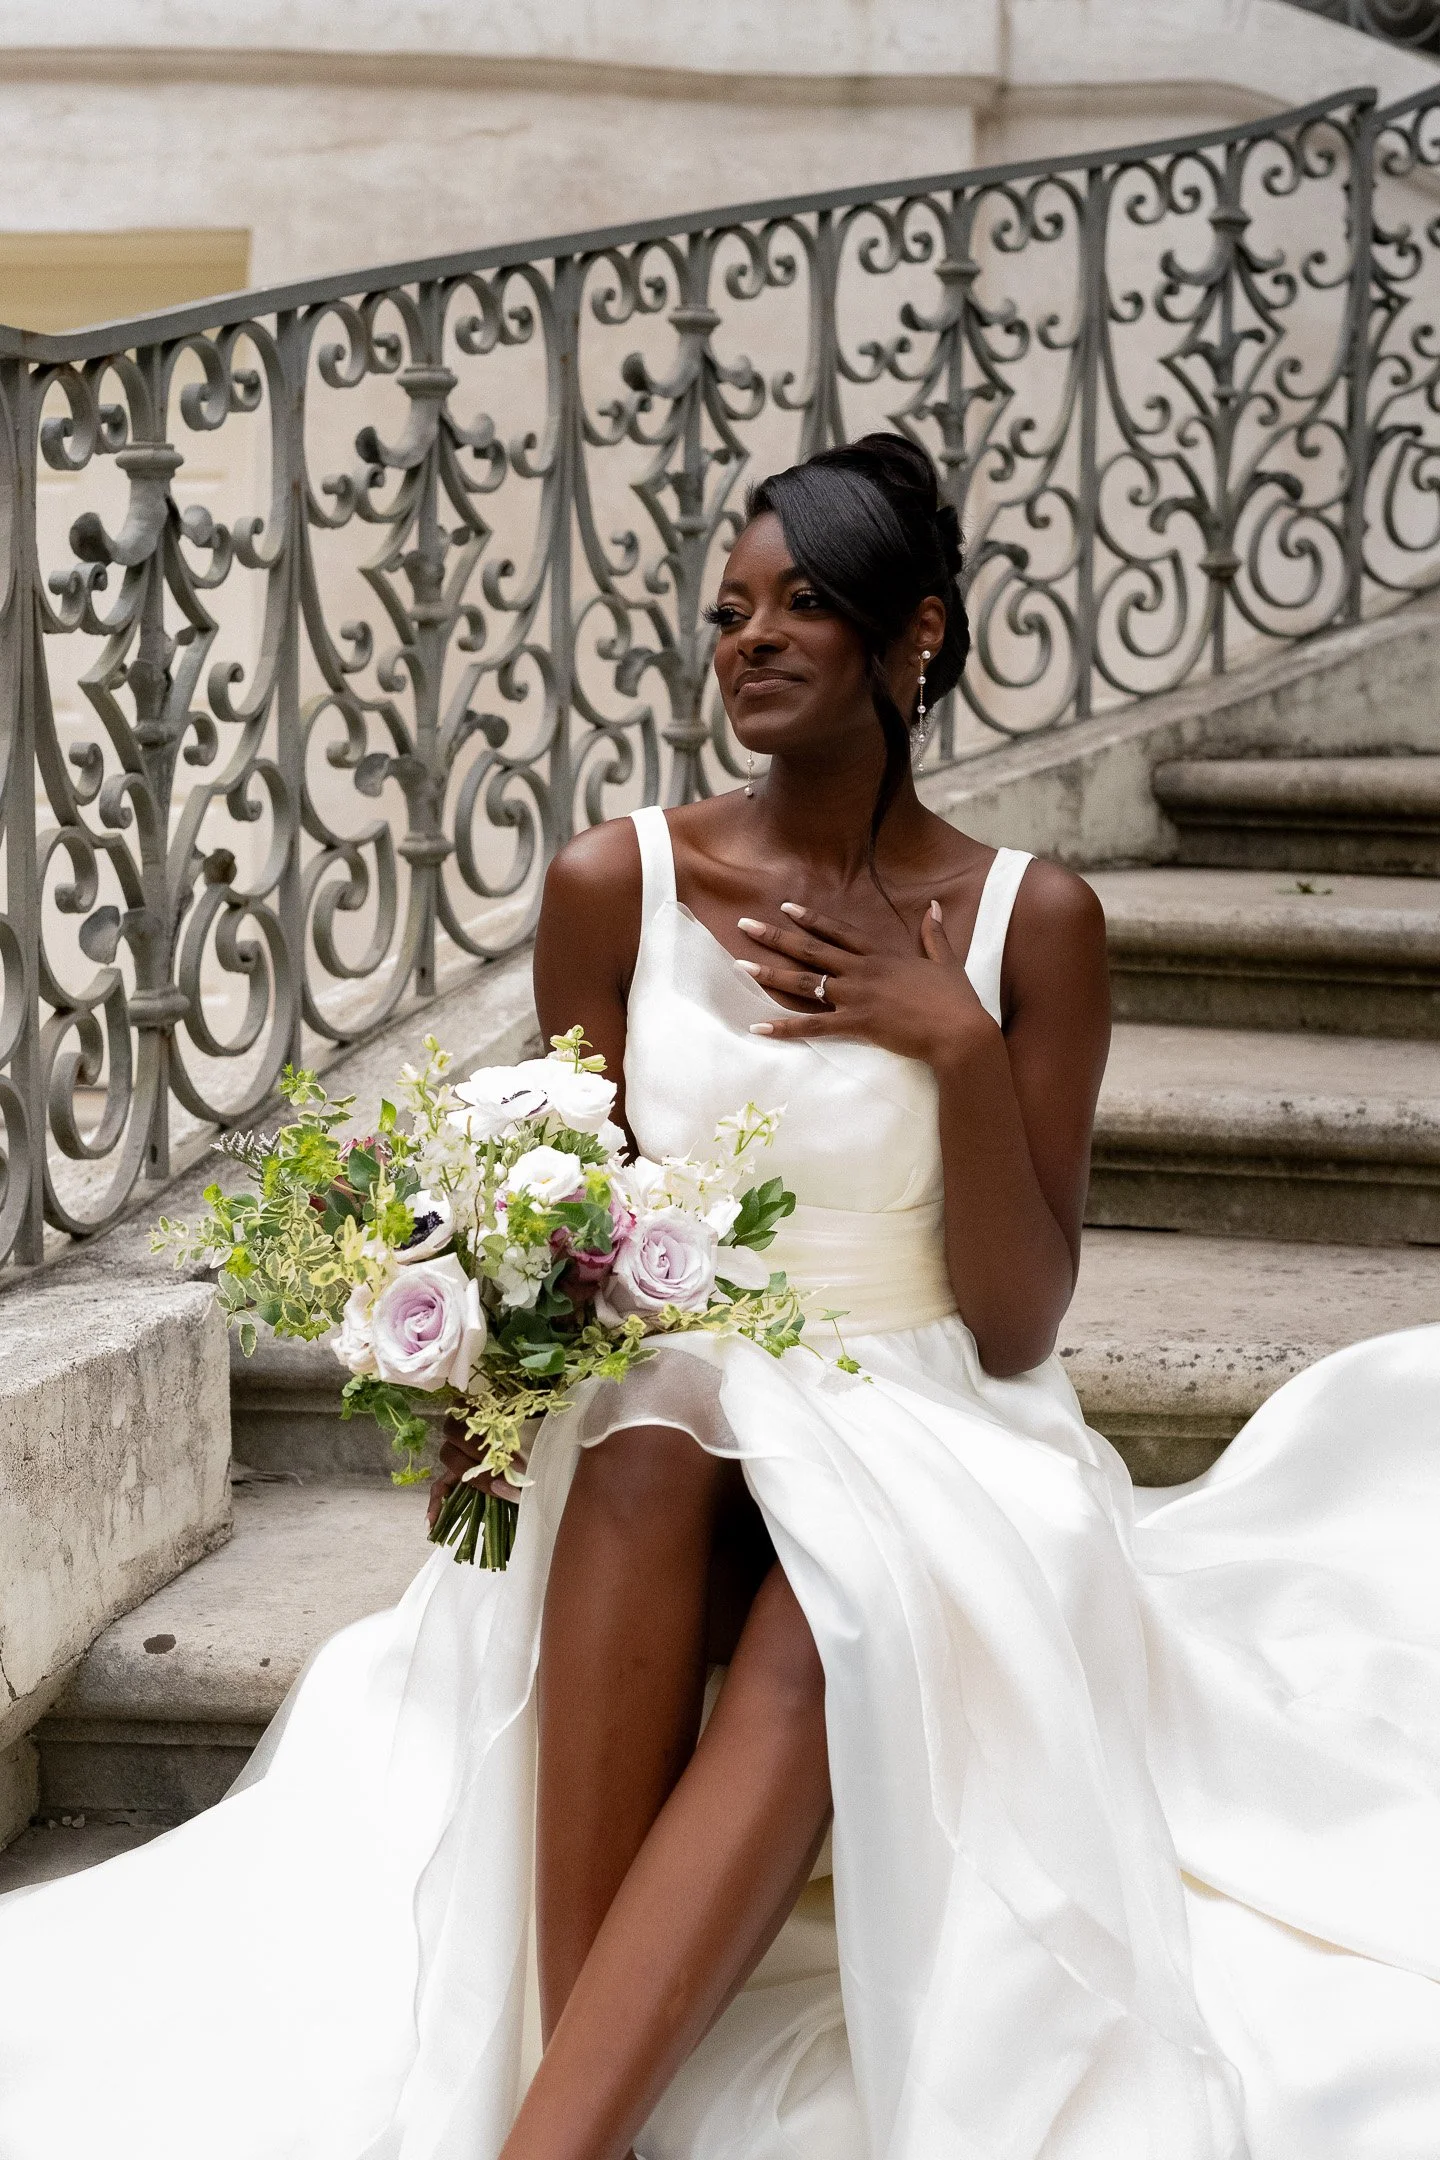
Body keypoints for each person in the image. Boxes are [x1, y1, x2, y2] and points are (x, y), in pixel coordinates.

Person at [0, 434, 1437, 2160]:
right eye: (728, 611)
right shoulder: (619, 885)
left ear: (915, 641)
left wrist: (953, 1043)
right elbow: (562, 1212)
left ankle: (558, 2135)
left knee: (845, 1606)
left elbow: (1018, 1322)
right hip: (664, 1409)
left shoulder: (1030, 924)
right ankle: (574, 2102)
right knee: (640, 1449)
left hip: (927, 1412)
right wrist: (479, 1380)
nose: (747, 640)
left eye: (802, 605)